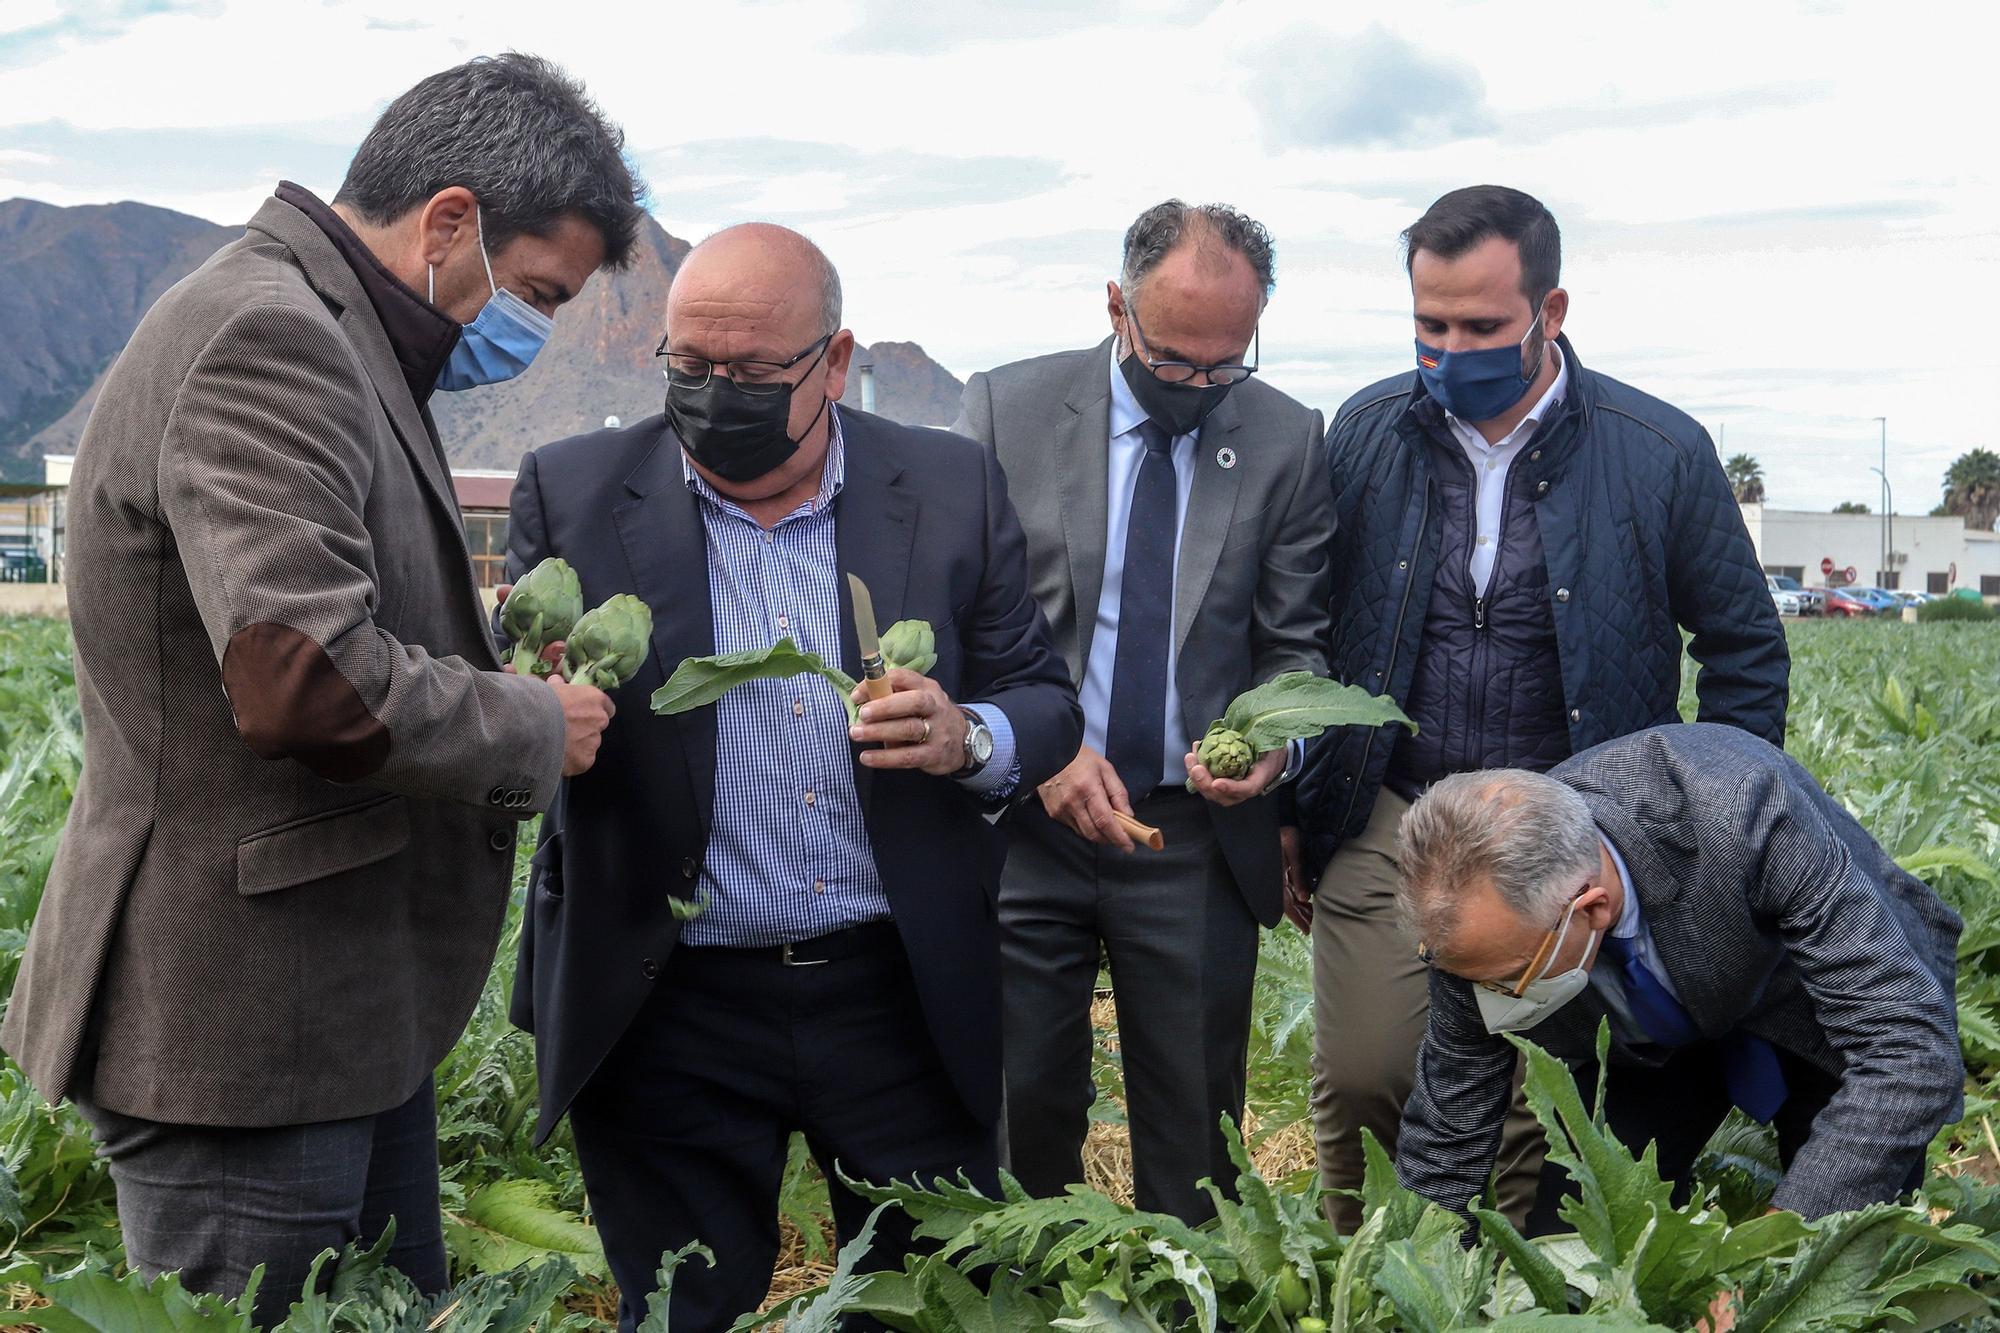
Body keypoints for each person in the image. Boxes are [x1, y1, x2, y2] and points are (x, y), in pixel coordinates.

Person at [0, 54, 638, 1324]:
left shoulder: (328, 329)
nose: (531, 333)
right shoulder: (270, 334)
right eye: (535, 294)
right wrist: (529, 721)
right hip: (246, 1029)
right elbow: (301, 679)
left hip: (337, 1015)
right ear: (449, 221)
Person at [504, 222, 1081, 1331]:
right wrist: (534, 702)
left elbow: (1044, 702)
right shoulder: (571, 492)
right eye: (689, 368)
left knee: (924, 1301)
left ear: (833, 359)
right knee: (680, 1309)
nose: (717, 395)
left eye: (752, 373)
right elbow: (518, 688)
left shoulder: (948, 485)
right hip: (667, 996)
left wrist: (967, 735)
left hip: (894, 991)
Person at [1294, 185, 1789, 1231]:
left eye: (1479, 326)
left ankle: (1503, 1284)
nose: (1447, 349)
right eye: (1427, 324)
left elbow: (1742, 644)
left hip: (1566, 819)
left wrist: (1717, 825)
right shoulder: (1369, 431)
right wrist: (1294, 801)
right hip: (1395, 803)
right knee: (1366, 1070)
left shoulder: (1655, 452)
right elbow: (1308, 620)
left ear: (1548, 311)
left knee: (1529, 1096)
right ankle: (1364, 1274)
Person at [952, 201, 1332, 1223]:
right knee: (1016, 1094)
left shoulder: (1287, 437)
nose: (1198, 388)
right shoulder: (1007, 411)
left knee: (1193, 1125)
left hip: (1190, 834)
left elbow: (1293, 641)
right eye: (1173, 362)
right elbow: (957, 621)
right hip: (1028, 822)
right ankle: (1022, 1285)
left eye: (1225, 365)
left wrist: (1271, 747)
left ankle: (1179, 1293)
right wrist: (1037, 748)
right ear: (1116, 306)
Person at [1391, 724, 1962, 1228]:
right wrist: (1417, 1280)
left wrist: (1780, 1242)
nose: (1495, 998)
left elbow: (1907, 1055)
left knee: (1844, 1246)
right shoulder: (1470, 932)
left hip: (1814, 1002)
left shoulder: (1742, 808)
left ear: (1590, 909)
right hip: (1645, 1041)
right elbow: (1449, 1129)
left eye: (1515, 977)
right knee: (1579, 1244)